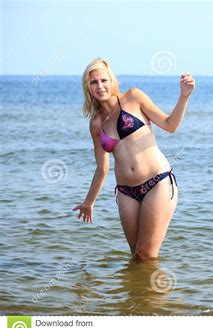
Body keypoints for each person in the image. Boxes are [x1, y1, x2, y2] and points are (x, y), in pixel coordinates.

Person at [72, 57, 195, 260]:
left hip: (157, 182)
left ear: (112, 81)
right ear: (88, 88)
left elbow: (170, 125)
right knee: (137, 257)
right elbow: (102, 169)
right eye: (93, 82)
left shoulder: (133, 98)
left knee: (147, 255)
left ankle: (155, 292)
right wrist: (89, 202)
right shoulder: (96, 124)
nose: (100, 86)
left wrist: (184, 96)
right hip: (126, 192)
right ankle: (138, 293)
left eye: (103, 80)